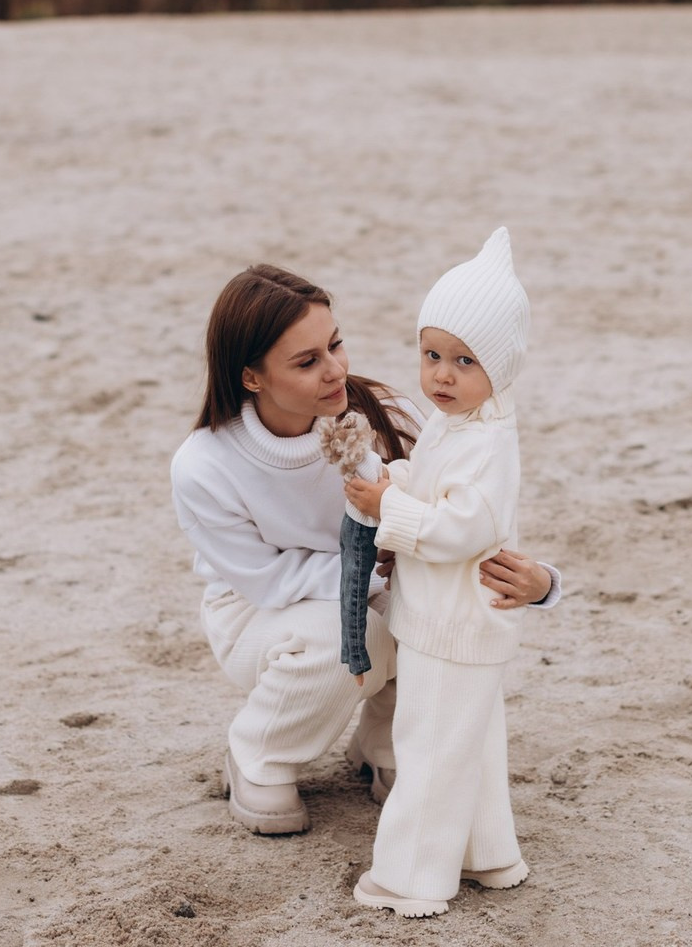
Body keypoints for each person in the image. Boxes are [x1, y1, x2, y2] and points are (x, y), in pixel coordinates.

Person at [170, 262, 559, 837]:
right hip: (261, 614)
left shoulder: (385, 415)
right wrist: (386, 578)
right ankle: (260, 752)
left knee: (436, 623)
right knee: (362, 631)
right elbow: (268, 581)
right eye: (307, 362)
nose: (336, 372)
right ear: (252, 377)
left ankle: (384, 744)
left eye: (335, 345)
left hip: (382, 586)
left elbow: (465, 519)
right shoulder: (204, 466)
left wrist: (542, 584)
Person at [345, 228, 538, 918]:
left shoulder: (487, 440)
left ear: (503, 366)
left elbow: (464, 528)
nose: (442, 375)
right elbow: (432, 487)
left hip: (453, 622)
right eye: (431, 355)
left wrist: (388, 506)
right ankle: (488, 856)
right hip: (450, 620)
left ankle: (411, 879)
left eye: (464, 360)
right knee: (470, 744)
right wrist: (394, 478)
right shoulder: (455, 422)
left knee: (428, 748)